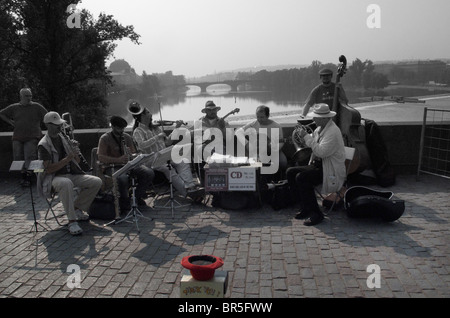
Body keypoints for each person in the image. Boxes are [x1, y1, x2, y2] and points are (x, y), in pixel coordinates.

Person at [36, 112, 102, 236]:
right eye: (56, 125)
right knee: (66, 183)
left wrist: (76, 153)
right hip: (53, 177)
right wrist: (67, 159)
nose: (59, 127)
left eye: (60, 124)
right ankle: (72, 221)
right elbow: (48, 169)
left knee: (96, 181)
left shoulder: (63, 138)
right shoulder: (43, 145)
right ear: (48, 125)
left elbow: (76, 161)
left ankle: (77, 208)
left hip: (71, 173)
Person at [128, 102, 204, 200]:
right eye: (148, 112)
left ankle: (190, 186)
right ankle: (188, 193)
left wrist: (176, 129)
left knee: (182, 161)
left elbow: (167, 143)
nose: (151, 114)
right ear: (142, 115)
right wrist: (157, 137)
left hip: (164, 156)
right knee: (168, 169)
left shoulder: (156, 128)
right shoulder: (138, 131)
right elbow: (142, 146)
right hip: (152, 159)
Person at [289, 104, 346, 226]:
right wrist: (305, 139)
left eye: (316, 117)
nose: (313, 120)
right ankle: (305, 207)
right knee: (290, 172)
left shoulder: (333, 132)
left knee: (302, 178)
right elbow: (314, 149)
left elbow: (321, 152)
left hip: (331, 170)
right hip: (319, 165)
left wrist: (306, 136)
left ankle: (317, 214)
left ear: (325, 118)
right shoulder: (318, 129)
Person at [97, 116, 155, 213]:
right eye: (119, 128)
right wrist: (118, 160)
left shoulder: (126, 137)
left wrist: (132, 155)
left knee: (148, 173)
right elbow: (101, 157)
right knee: (122, 179)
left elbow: (134, 153)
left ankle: (136, 197)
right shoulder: (105, 138)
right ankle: (124, 202)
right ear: (113, 127)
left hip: (128, 165)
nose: (121, 131)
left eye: (123, 128)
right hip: (112, 166)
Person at [0, 88, 48, 186]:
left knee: (29, 156)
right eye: (27, 96)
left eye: (30, 95)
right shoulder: (14, 107)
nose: (29, 98)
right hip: (18, 135)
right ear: (21, 96)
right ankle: (23, 176)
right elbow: (2, 113)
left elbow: (47, 115)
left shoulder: (36, 106)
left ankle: (30, 176)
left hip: (33, 135)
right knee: (17, 157)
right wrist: (10, 122)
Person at [235, 105, 288, 180]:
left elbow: (281, 141)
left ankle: (278, 181)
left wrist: (274, 150)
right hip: (256, 150)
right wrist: (247, 144)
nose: (259, 119)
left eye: (262, 117)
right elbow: (238, 132)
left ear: (268, 116)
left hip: (272, 149)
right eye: (258, 117)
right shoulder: (253, 124)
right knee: (255, 164)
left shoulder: (276, 126)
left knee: (283, 162)